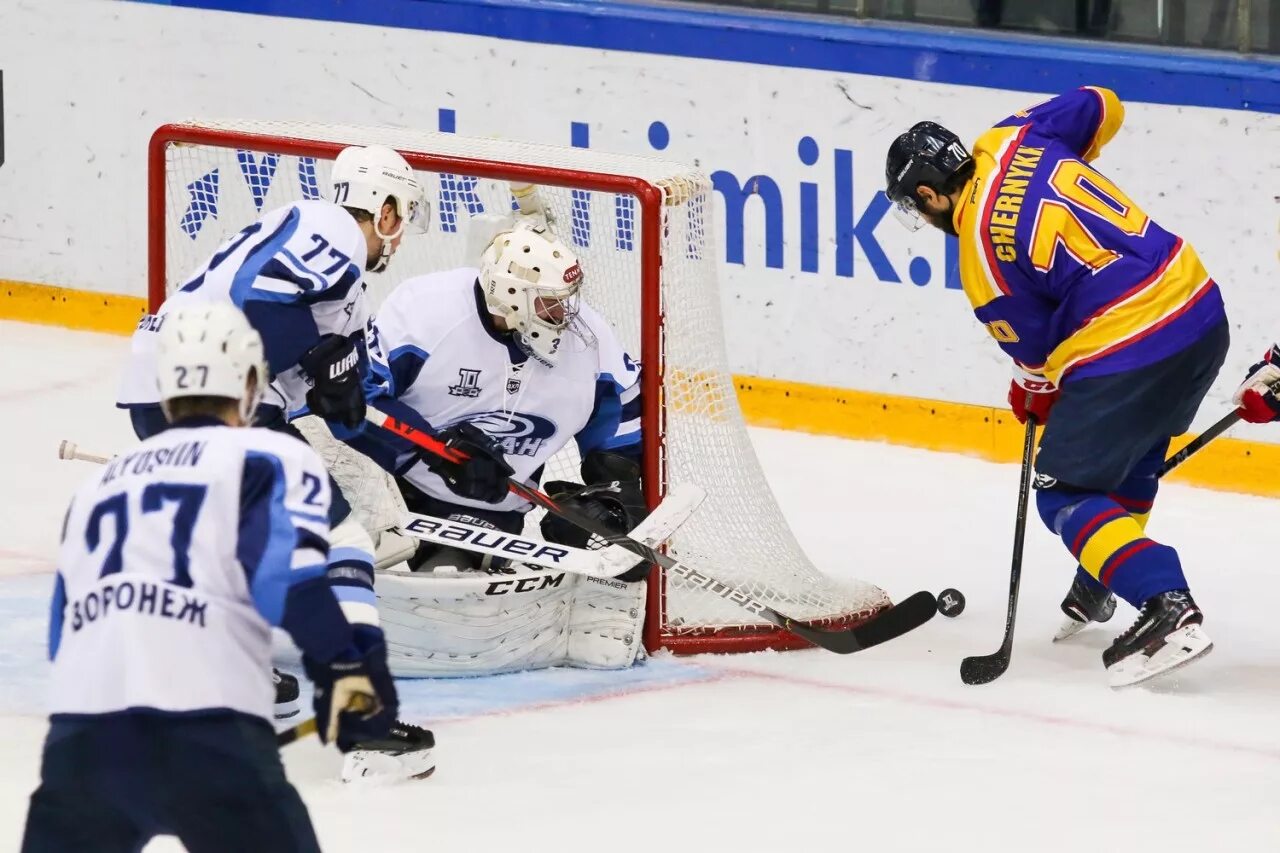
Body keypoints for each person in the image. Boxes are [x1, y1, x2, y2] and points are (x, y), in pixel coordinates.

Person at [22, 304, 398, 853]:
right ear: (251, 385)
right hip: (208, 739)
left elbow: (64, 637)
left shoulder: (97, 487)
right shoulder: (271, 457)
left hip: (84, 747)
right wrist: (349, 671)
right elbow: (287, 585)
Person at [885, 86, 1227, 687]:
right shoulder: (1012, 136)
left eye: (919, 207)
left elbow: (1040, 366)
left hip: (1128, 345)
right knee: (1134, 454)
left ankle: (1165, 602)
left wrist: (1031, 393)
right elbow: (1105, 103)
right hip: (1199, 308)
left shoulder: (980, 260)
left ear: (929, 193)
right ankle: (1100, 580)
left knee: (1062, 491)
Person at [115, 145, 440, 773]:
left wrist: (448, 459)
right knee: (339, 536)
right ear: (387, 207)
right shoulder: (333, 228)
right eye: (402, 217)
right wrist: (320, 358)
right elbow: (254, 301)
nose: (398, 238)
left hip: (156, 391)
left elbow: (355, 415)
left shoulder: (345, 293)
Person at [355, 217, 650, 676]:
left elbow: (621, 417)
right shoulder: (424, 311)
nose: (566, 316)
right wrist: (434, 450)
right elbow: (359, 400)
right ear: (512, 297)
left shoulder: (588, 341)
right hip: (388, 487)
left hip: (489, 507)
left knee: (449, 602)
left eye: (567, 302)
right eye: (552, 305)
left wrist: (615, 498)